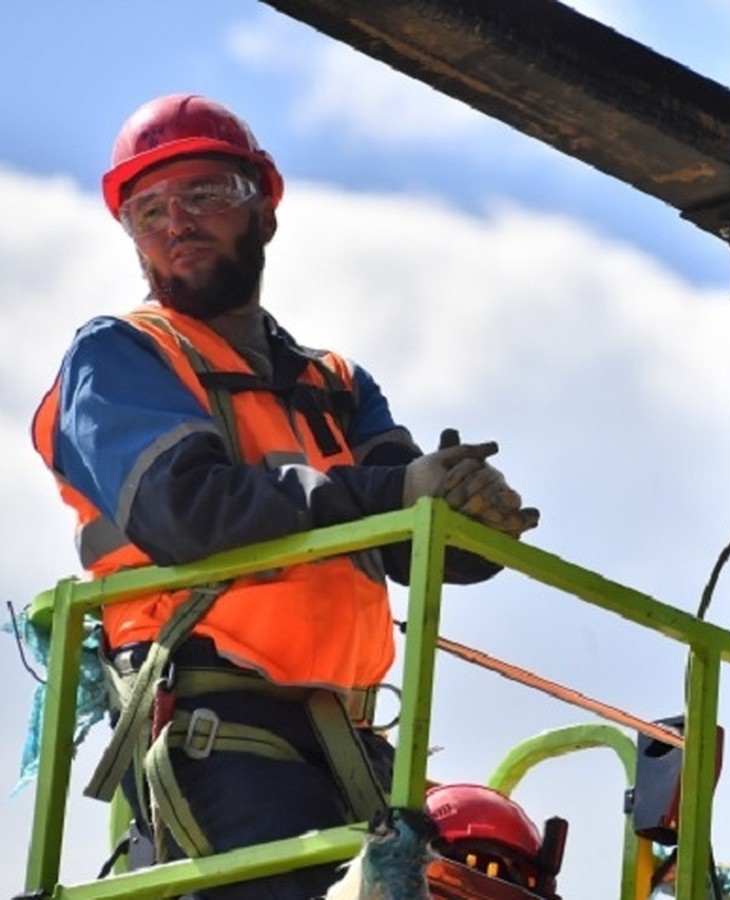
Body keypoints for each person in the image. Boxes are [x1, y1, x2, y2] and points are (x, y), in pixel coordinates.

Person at [32, 93, 539, 899]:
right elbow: (187, 510)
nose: (177, 221)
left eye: (204, 194)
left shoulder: (333, 383)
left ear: (263, 210)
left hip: (353, 747)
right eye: (149, 209)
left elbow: (410, 532)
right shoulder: (120, 355)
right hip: (213, 735)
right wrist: (397, 492)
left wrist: (470, 512)